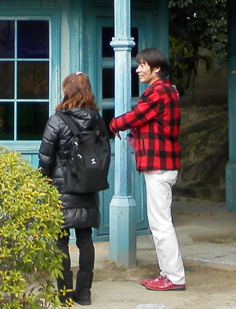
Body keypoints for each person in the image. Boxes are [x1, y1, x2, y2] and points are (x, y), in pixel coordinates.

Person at [109, 48, 186, 292]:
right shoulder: (167, 90)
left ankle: (174, 277)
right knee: (160, 222)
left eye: (143, 65)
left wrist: (113, 124)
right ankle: (168, 273)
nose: (138, 70)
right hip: (164, 164)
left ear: (156, 68)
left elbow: (135, 116)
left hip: (158, 165)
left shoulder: (158, 92)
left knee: (161, 224)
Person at [38, 72, 107, 306]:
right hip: (88, 186)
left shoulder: (57, 120)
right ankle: (84, 293)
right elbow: (103, 153)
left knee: (61, 241)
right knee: (86, 240)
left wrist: (42, 181)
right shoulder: (97, 120)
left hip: (61, 188)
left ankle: (64, 293)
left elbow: (46, 157)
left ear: (67, 90)